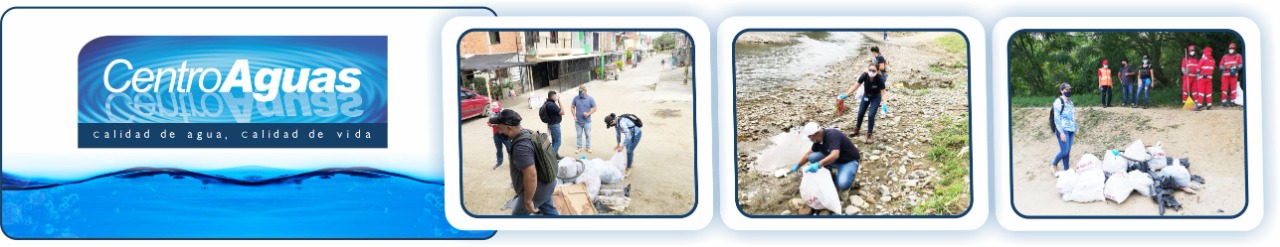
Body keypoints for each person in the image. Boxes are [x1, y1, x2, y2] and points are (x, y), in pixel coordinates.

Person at [491, 109, 558, 216]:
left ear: (509, 128)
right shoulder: (528, 132)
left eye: (499, 128)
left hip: (537, 190)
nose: (498, 132)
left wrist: (527, 201)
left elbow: (531, 175)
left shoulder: (521, 147)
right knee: (549, 209)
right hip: (547, 183)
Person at [791, 122, 861, 191]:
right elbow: (808, 154)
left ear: (814, 134)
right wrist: (798, 165)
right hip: (835, 159)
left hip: (848, 161)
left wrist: (818, 164)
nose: (810, 139)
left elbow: (835, 155)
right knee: (812, 157)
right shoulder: (818, 140)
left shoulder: (832, 135)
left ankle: (850, 181)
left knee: (842, 184)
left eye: (809, 137)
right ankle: (831, 176)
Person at [839, 64, 887, 143]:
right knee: (861, 112)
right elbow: (856, 86)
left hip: (876, 98)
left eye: (873, 71)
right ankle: (856, 130)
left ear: (877, 71)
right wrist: (846, 94)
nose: (871, 72)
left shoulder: (879, 79)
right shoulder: (864, 75)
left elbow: (884, 93)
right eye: (870, 70)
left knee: (871, 115)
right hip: (866, 96)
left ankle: (869, 134)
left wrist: (884, 103)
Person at [1051, 83, 1078, 173]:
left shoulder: (1070, 102)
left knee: (1067, 151)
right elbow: (1056, 119)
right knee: (1064, 151)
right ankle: (1054, 164)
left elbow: (1072, 117)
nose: (1068, 91)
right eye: (1066, 90)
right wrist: (1061, 132)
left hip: (1071, 130)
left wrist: (1076, 128)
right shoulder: (1058, 102)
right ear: (1061, 91)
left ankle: (1066, 170)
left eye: (1069, 89)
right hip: (1062, 129)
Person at [570, 85, 597, 154]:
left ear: (585, 91)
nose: (579, 93)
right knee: (579, 135)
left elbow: (595, 108)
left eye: (580, 92)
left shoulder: (590, 99)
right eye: (579, 91)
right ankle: (579, 147)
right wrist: (574, 115)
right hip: (578, 121)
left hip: (587, 121)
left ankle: (588, 147)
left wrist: (588, 113)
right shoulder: (576, 98)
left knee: (588, 135)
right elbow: (572, 107)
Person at [540, 90, 565, 156]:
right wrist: (559, 102)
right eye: (556, 96)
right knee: (558, 142)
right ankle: (551, 158)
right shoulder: (551, 105)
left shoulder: (548, 103)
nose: (556, 97)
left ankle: (556, 156)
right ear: (553, 96)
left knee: (554, 141)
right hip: (555, 125)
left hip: (551, 125)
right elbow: (563, 112)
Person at [488, 102, 511, 170]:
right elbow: (489, 122)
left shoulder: (505, 112)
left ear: (500, 107)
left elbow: (509, 121)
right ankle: (499, 162)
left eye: (496, 109)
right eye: (494, 109)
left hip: (504, 133)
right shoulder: (491, 113)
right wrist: (490, 124)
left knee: (509, 149)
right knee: (498, 149)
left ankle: (513, 162)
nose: (495, 111)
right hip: (496, 134)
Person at [1220, 43, 1243, 107]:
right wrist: (1225, 67)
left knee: (1233, 88)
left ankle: (1232, 101)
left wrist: (1235, 67)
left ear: (1235, 49)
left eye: (1232, 48)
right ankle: (1224, 101)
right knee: (1224, 88)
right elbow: (1220, 66)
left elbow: (1241, 64)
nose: (1231, 50)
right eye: (1230, 48)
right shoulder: (1224, 57)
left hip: (1233, 74)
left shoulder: (1238, 56)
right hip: (1225, 75)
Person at [1196, 46, 1217, 111]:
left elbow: (1198, 68)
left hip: (1202, 78)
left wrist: (1198, 74)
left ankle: (1199, 105)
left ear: (1205, 52)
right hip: (1209, 78)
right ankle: (1209, 105)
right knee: (1208, 92)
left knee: (1201, 92)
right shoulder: (1213, 60)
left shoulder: (1203, 59)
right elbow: (1212, 69)